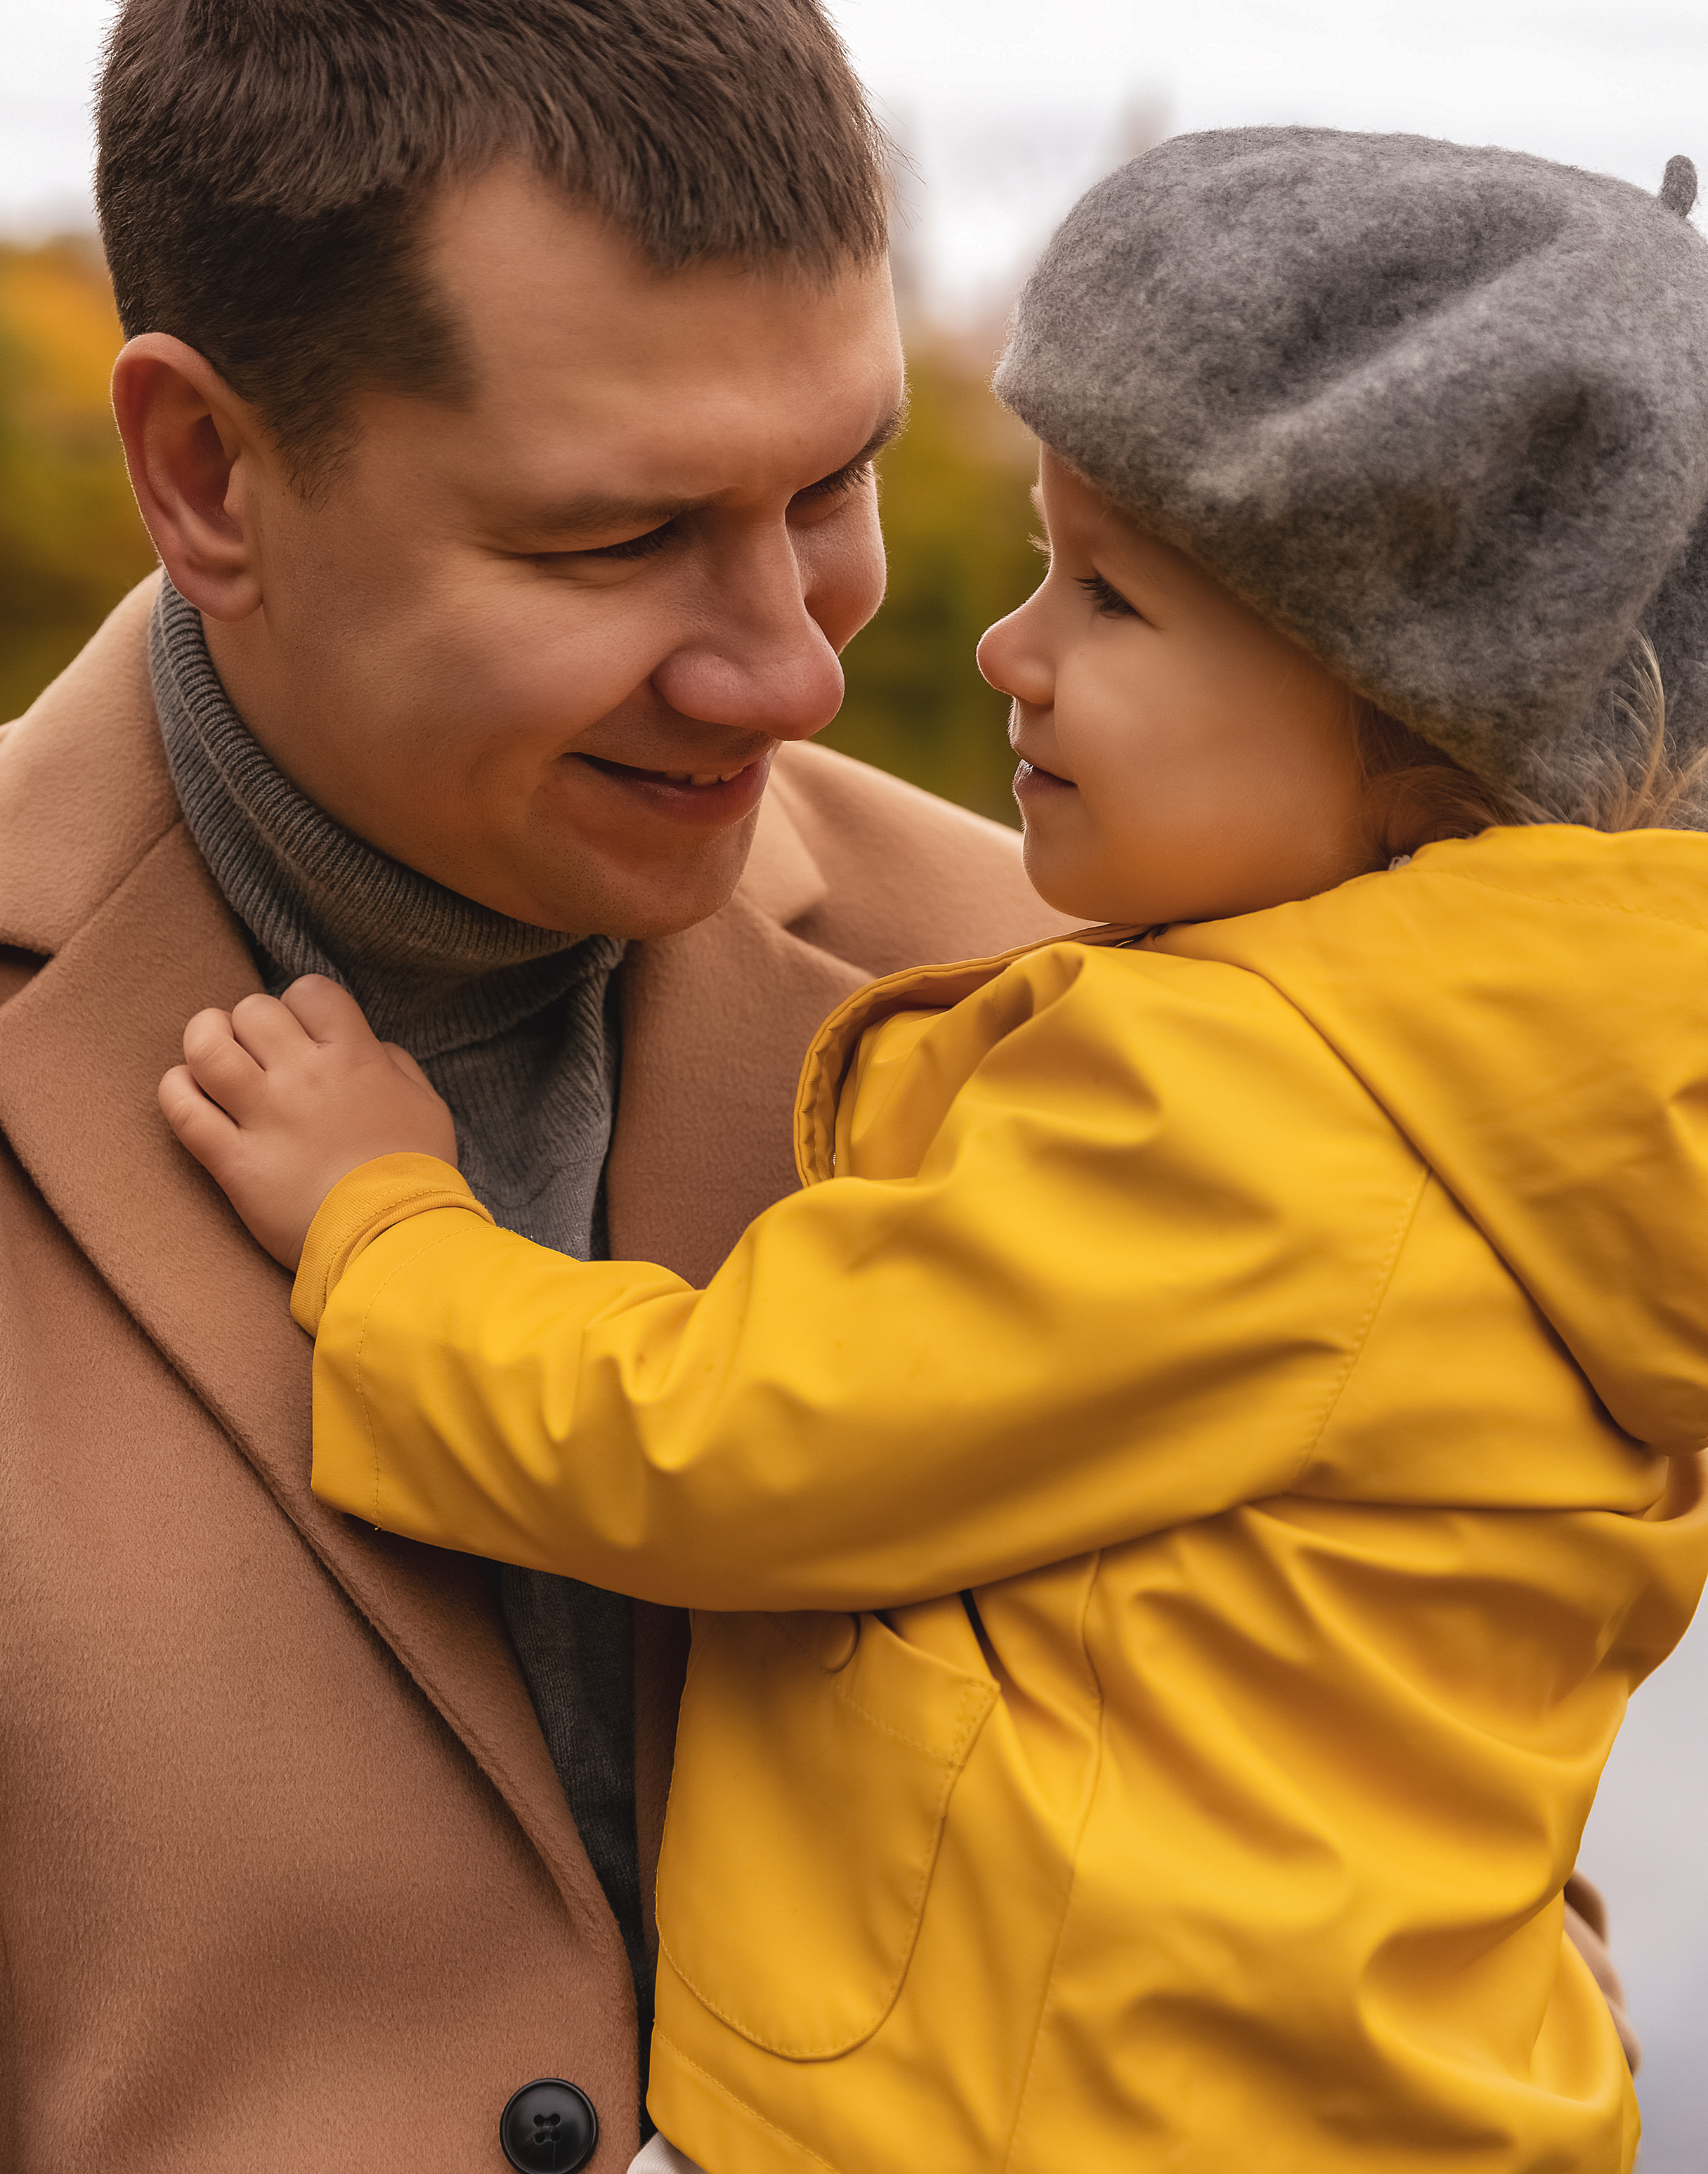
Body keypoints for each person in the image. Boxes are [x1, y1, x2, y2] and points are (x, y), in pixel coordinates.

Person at [162, 129, 1708, 2174]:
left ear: (1419, 732)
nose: (1010, 649)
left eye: (1117, 600)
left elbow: (718, 1445)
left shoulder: (1247, 1103)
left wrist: (382, 1221)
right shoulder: (1569, 1084)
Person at [0, 0, 1067, 2174]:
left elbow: (1440, 1936)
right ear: (209, 475)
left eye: (830, 486)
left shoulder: (1078, 1006)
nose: (797, 673)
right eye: (623, 535)